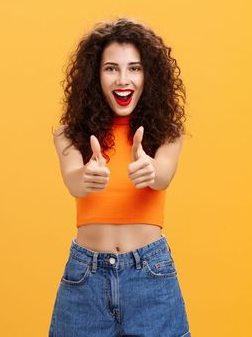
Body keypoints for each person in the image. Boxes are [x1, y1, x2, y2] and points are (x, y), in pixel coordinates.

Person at [49, 18, 191, 336]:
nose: (123, 79)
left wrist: (151, 170)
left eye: (134, 68)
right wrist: (85, 175)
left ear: (148, 75)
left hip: (151, 276)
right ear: (95, 76)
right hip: (85, 278)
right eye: (111, 68)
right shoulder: (69, 134)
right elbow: (71, 179)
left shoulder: (167, 133)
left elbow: (164, 175)